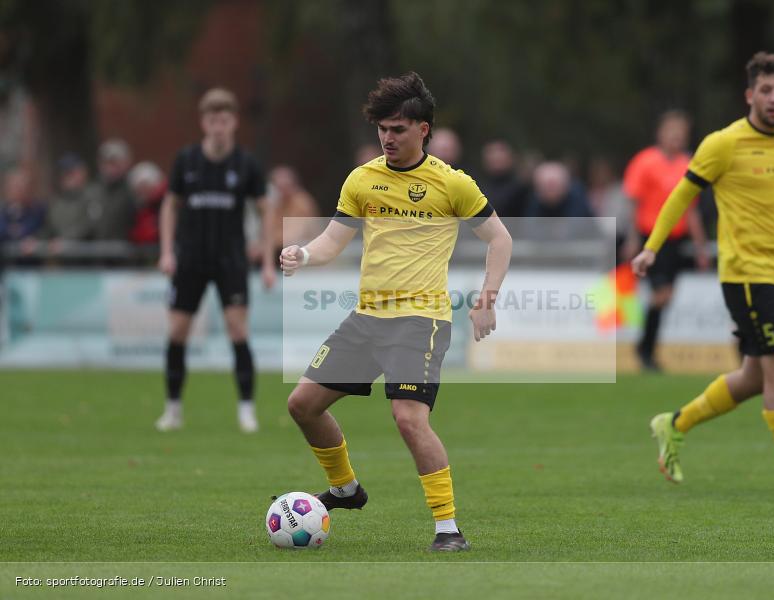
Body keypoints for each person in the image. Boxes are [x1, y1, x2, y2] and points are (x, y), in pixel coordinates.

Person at [279, 72, 512, 552]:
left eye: (398, 129)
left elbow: (500, 238)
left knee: (408, 418)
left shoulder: (452, 183)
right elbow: (332, 240)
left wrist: (486, 298)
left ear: (423, 130)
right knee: (302, 404)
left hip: (420, 320)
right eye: (383, 128)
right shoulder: (362, 180)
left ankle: (448, 528)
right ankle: (345, 490)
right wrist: (303, 254)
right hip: (367, 319)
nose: (388, 137)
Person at [632, 52, 774, 494]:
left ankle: (673, 424)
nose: (772, 98)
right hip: (745, 275)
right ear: (750, 95)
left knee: (755, 376)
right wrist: (652, 248)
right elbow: (679, 197)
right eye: (764, 90)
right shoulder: (723, 143)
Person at [155, 88, 276, 433]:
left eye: (224, 120)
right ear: (203, 123)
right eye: (212, 121)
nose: (218, 127)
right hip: (190, 259)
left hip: (230, 260)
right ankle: (173, 409)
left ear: (234, 122)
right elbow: (169, 205)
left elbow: (266, 209)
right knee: (177, 331)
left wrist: (267, 260)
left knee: (237, 330)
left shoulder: (247, 164)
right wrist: (166, 252)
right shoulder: (187, 160)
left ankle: (246, 409)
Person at [624, 110, 708, 371]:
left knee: (666, 295)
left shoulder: (689, 164)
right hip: (650, 238)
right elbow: (633, 204)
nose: (675, 139)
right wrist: (632, 238)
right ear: (660, 134)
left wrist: (700, 245)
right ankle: (645, 349)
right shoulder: (645, 161)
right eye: (671, 133)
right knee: (662, 293)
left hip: (675, 241)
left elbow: (691, 209)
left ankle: (646, 348)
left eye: (680, 134)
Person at [90, 139, 137, 241]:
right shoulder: (94, 190)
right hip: (99, 252)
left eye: (114, 162)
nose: (109, 168)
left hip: (127, 251)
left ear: (126, 162)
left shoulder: (134, 188)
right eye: (106, 162)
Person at [478, 139, 528, 218]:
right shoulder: (478, 186)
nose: (496, 157)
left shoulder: (521, 188)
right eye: (492, 156)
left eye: (500, 157)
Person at [127, 161, 166, 246]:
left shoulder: (164, 205)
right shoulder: (135, 207)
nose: (142, 191)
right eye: (139, 188)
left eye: (145, 186)